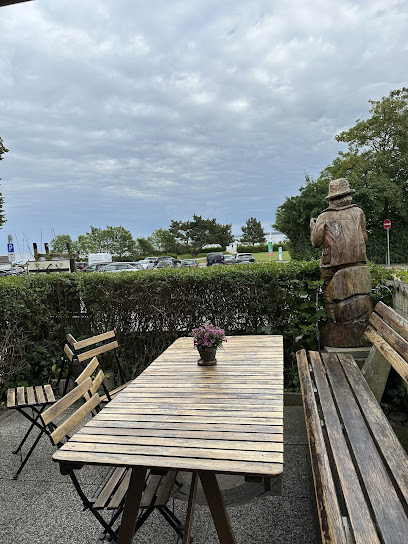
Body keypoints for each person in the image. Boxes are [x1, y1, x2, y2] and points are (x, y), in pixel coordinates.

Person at [310, 178, 368, 322]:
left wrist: (313, 228)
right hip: (358, 260)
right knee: (361, 289)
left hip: (332, 264)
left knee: (327, 287)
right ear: (348, 195)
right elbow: (365, 238)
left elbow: (316, 242)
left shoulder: (324, 216)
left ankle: (333, 320)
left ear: (331, 199)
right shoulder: (358, 212)